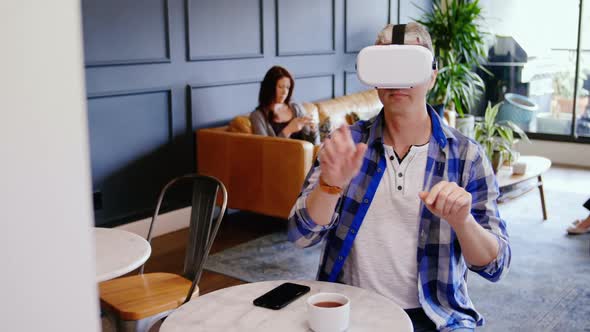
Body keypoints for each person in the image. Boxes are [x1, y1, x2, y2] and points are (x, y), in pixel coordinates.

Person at [288, 23, 511, 332]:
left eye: (409, 64)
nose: (397, 81)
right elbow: (301, 237)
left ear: (432, 75)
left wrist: (463, 222)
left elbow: (495, 265)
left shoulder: (466, 156)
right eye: (387, 65)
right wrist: (330, 186)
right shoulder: (346, 146)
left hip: (437, 317)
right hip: (351, 310)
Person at [250, 66, 319, 145]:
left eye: (287, 87)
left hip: (303, 156)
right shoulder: (257, 116)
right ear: (269, 88)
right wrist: (288, 130)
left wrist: (313, 130)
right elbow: (265, 150)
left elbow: (313, 145)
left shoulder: (296, 108)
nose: (285, 92)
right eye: (281, 87)